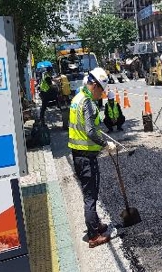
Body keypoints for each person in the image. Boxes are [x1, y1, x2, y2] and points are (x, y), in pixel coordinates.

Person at [68, 67, 117, 248]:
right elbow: (89, 130)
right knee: (90, 195)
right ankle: (93, 235)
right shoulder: (87, 102)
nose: (102, 95)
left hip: (78, 154)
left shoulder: (76, 98)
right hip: (86, 157)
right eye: (101, 91)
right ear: (94, 85)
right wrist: (105, 144)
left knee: (90, 192)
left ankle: (96, 224)